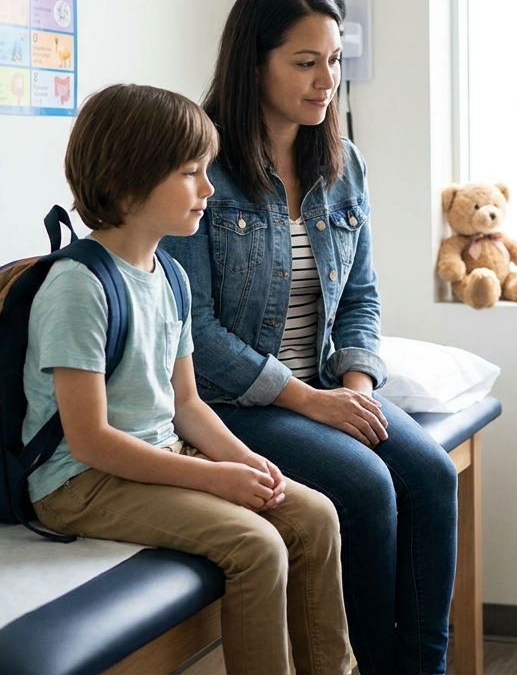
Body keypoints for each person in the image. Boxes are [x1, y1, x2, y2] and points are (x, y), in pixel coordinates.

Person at [161, 0, 458, 675]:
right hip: (237, 403)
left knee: (432, 474)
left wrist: (353, 384)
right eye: (305, 62)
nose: (326, 80)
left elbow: (361, 295)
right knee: (365, 486)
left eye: (333, 60)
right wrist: (307, 401)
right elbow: (194, 332)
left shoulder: (342, 163)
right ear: (252, 62)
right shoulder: (201, 169)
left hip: (326, 383)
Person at [23, 83, 353, 675]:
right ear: (128, 181)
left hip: (153, 456)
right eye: (190, 173)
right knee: (256, 545)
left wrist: (246, 463)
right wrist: (212, 477)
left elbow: (188, 404)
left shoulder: (170, 275)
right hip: (80, 484)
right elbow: (89, 441)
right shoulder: (80, 286)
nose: (208, 189)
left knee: (315, 516)